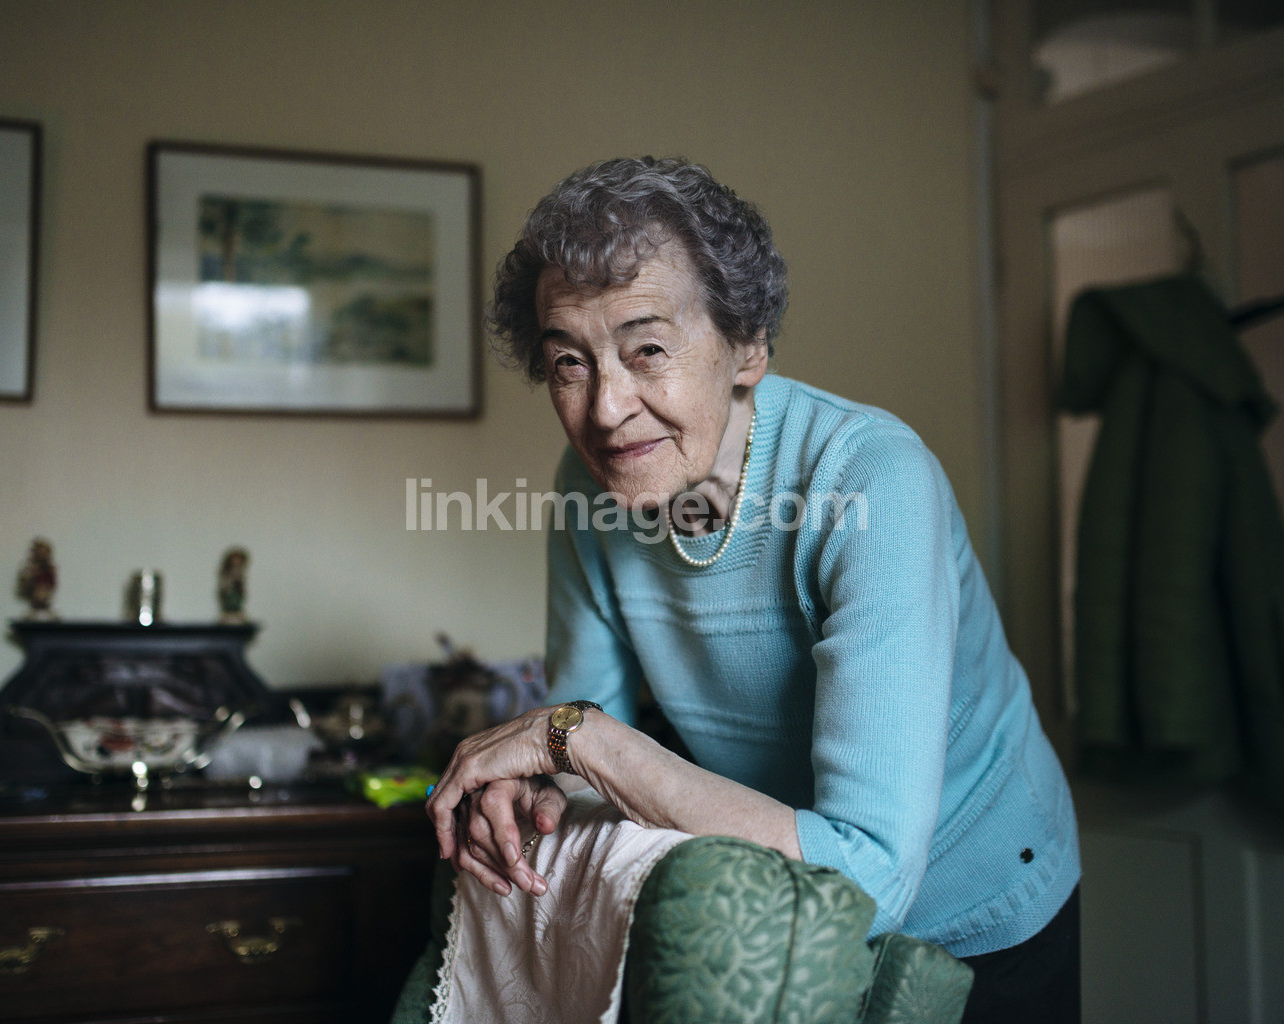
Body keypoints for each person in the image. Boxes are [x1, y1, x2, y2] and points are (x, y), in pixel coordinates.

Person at [424, 156, 1081, 1023]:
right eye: (569, 364)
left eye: (647, 350)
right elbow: (583, 734)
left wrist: (574, 741)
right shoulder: (589, 485)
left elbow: (869, 879)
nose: (607, 409)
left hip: (973, 903)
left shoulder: (869, 479)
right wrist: (540, 793)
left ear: (748, 346)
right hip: (774, 890)